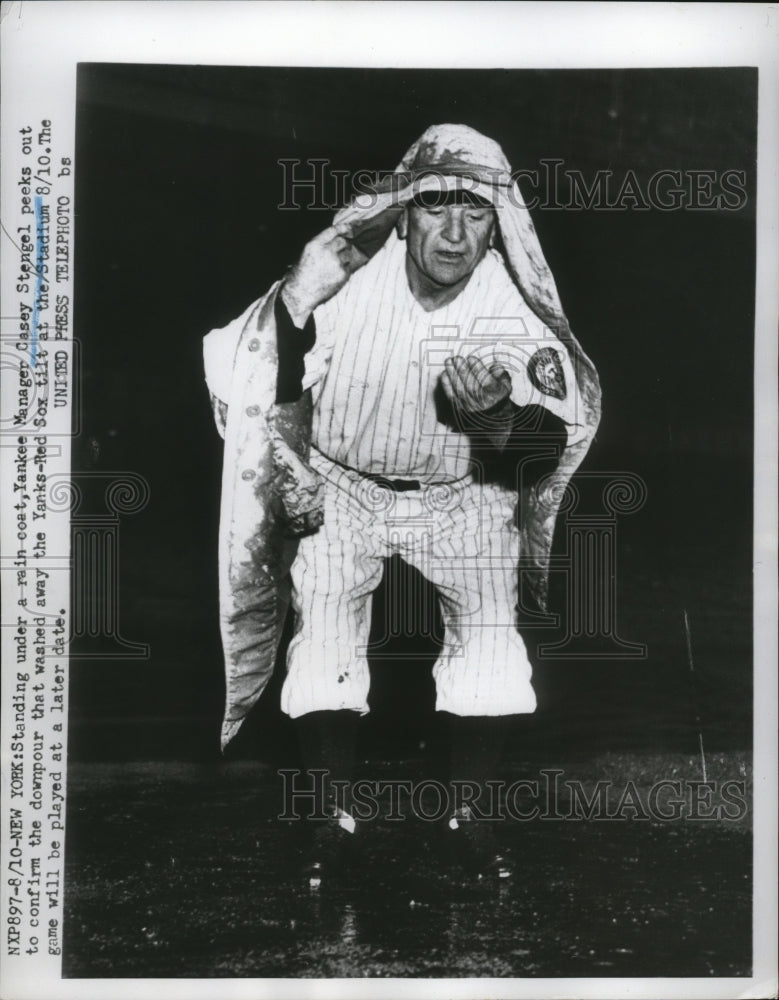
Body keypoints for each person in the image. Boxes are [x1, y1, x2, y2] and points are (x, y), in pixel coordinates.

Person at [203, 124, 600, 883]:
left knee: (490, 639)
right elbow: (250, 377)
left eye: (474, 212)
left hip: (462, 491)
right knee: (321, 629)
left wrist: (492, 418)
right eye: (436, 205)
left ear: (499, 223)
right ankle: (330, 822)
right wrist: (292, 305)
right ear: (406, 208)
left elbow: (541, 458)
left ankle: (471, 822)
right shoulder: (349, 274)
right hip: (341, 485)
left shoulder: (510, 307)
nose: (453, 231)